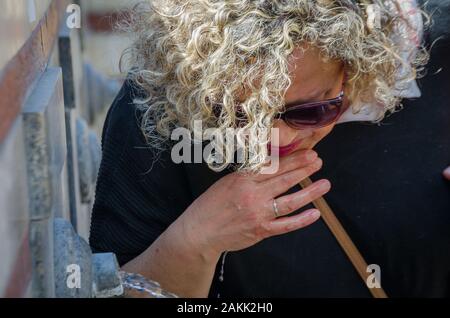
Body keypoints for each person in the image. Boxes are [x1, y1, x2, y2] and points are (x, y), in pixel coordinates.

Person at [89, 0, 429, 297]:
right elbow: (115, 288)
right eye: (238, 114)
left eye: (310, 112)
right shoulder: (156, 105)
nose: (275, 139)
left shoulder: (432, 63)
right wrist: (194, 241)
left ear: (358, 67)